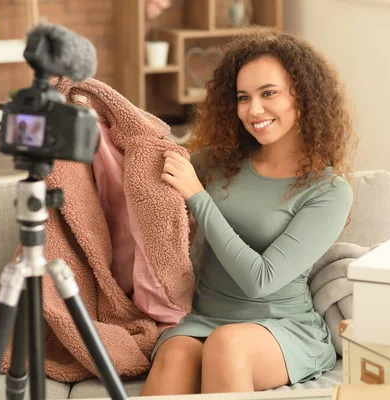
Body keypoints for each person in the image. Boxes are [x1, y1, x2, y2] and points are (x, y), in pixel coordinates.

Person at [140, 29, 358, 396]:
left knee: (229, 345)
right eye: (243, 97)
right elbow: (147, 179)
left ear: (301, 97)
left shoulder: (329, 192)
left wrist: (199, 198)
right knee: (176, 354)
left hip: (281, 327)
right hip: (204, 318)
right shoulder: (213, 163)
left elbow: (262, 280)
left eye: (268, 93)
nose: (253, 110)